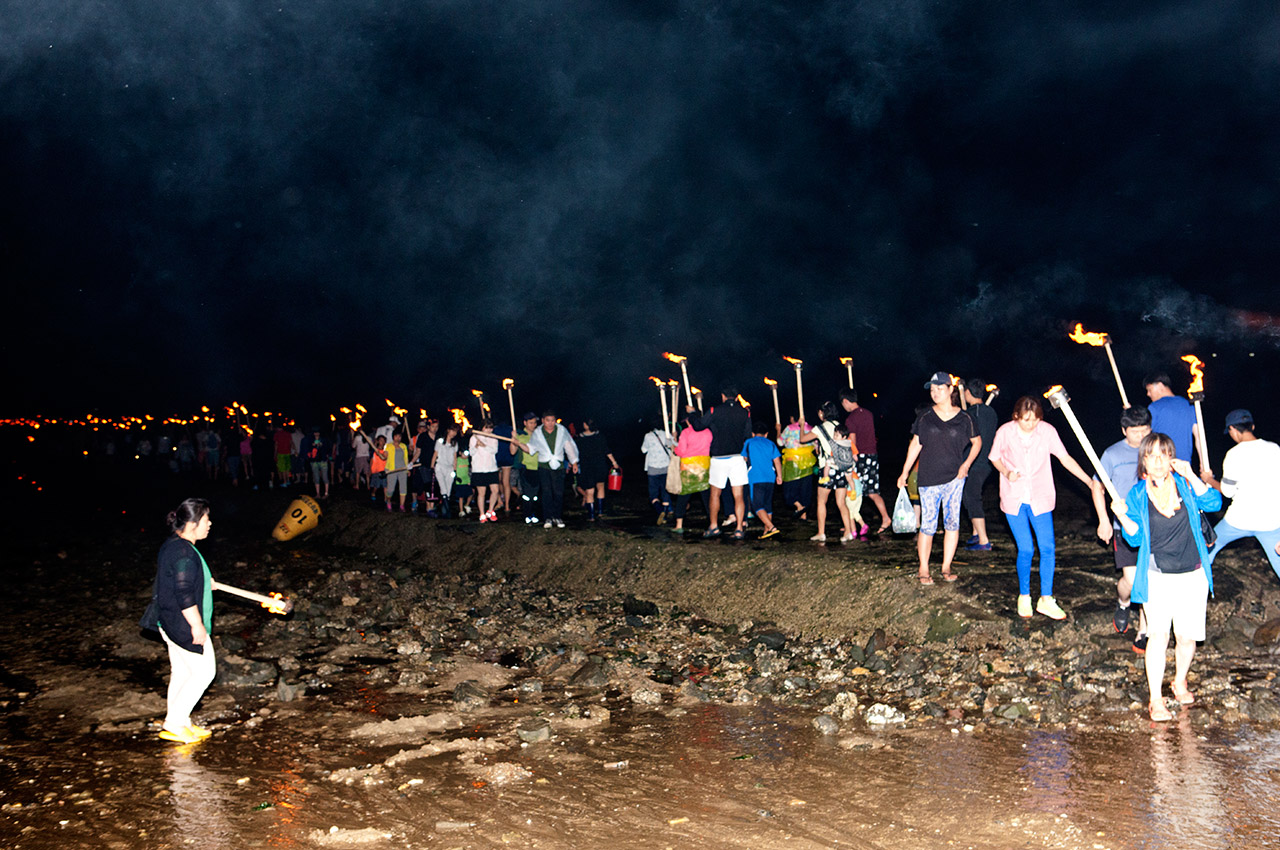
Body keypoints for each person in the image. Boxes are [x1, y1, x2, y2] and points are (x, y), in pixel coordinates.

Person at [1112, 433, 1222, 722]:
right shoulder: (1137, 494)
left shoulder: (1185, 484)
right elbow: (1134, 539)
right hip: (1157, 576)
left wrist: (1193, 475)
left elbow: (1213, 503)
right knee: (1158, 637)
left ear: (1172, 458)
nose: (1158, 462)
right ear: (1143, 461)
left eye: (1164, 455)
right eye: (1152, 456)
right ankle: (1156, 699)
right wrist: (1123, 517)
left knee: (1187, 639)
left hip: (1193, 574)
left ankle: (1180, 681)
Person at [988, 396, 1094, 619]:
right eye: (1026, 420)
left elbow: (1065, 458)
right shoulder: (1005, 432)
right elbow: (994, 457)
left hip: (1041, 497)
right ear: (1016, 416)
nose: (1031, 424)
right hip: (1014, 498)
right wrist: (1006, 472)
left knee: (1047, 548)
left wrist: (1089, 481)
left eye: (1035, 420)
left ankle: (1046, 599)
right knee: (1026, 548)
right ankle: (1024, 596)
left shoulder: (1047, 431)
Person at [142, 498, 218, 744]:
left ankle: (179, 722)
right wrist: (197, 626)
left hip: (168, 620)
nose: (210, 524)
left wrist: (205, 583)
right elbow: (184, 593)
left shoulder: (174, 545)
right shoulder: (184, 552)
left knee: (182, 672)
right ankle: (175, 723)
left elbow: (179, 578)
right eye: (206, 519)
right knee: (205, 672)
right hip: (182, 622)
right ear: (193, 524)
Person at [897, 372, 981, 585]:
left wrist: (966, 464)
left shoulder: (965, 418)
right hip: (929, 478)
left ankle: (946, 566)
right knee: (928, 524)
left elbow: (977, 442)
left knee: (952, 522)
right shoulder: (925, 417)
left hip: (955, 478)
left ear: (950, 389)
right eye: (932, 389)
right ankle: (923, 568)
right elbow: (916, 444)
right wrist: (905, 472)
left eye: (939, 388)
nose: (935, 393)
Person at [1091, 405, 1153, 650]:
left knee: (1148, 579)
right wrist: (1103, 520)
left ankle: (1144, 630)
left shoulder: (1155, 450)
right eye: (1135, 432)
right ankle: (1123, 603)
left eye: (1145, 430)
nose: (1141, 436)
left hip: (1154, 525)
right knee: (1131, 579)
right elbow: (1098, 487)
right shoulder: (1112, 454)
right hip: (1124, 526)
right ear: (1124, 430)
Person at [1201, 409, 1280, 582]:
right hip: (1271, 522)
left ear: (1232, 430)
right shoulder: (1275, 449)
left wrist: (1209, 480)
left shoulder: (1234, 454)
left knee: (1208, 546)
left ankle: (1197, 583)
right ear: (1252, 426)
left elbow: (1228, 492)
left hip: (1239, 520)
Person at [686, 388, 752, 539]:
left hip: (719, 457)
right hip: (737, 457)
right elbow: (747, 435)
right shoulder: (745, 412)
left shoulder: (714, 410)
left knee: (715, 494)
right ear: (736, 397)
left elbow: (699, 426)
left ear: (723, 396)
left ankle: (714, 526)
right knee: (739, 495)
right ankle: (739, 528)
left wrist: (693, 413)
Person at [801, 402, 857, 543]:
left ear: (822, 413)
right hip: (842, 470)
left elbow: (802, 439)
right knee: (841, 503)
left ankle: (821, 533)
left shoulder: (819, 428)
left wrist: (802, 425)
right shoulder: (839, 426)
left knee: (821, 501)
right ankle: (848, 532)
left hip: (827, 469)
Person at [840, 388, 892, 533]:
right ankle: (854, 521)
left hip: (861, 456)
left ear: (845, 401)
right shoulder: (868, 413)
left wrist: (850, 459)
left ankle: (852, 522)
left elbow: (853, 442)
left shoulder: (851, 419)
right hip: (873, 455)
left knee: (853, 490)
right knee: (870, 491)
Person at [1145, 373, 1210, 475]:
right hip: (1184, 468)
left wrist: (1134, 418)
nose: (1148, 394)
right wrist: (1203, 463)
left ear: (1160, 385)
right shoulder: (1188, 404)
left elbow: (1144, 435)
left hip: (1161, 467)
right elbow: (1199, 437)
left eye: (1149, 390)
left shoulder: (1154, 407)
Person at [960, 379, 997, 550]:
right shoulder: (991, 412)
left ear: (968, 392)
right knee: (972, 496)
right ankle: (975, 534)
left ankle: (983, 540)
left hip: (974, 462)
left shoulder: (970, 413)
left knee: (971, 497)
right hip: (988, 462)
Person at [528, 410, 579, 528]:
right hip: (543, 466)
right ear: (543, 421)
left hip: (559, 467)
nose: (550, 423)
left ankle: (557, 517)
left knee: (558, 492)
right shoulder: (538, 432)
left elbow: (569, 446)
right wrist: (518, 443)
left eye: (552, 421)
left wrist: (574, 462)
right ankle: (548, 518)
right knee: (546, 492)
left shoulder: (561, 430)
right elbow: (531, 448)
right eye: (547, 421)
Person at [670, 416, 712, 533]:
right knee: (706, 495)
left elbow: (682, 451)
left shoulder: (686, 432)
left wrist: (675, 449)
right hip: (704, 465)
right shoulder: (708, 431)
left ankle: (679, 525)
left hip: (689, 466)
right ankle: (712, 523)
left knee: (684, 495)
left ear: (688, 420)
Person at [744, 421, 783, 538]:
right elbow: (777, 460)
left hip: (756, 477)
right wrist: (779, 476)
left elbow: (744, 458)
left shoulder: (749, 442)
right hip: (770, 477)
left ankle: (771, 527)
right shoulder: (771, 444)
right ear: (766, 434)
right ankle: (767, 531)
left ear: (753, 434)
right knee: (767, 504)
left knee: (756, 505)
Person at [575, 420, 619, 521]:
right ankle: (600, 512)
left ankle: (591, 516)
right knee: (600, 487)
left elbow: (575, 452)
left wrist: (574, 463)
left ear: (585, 425)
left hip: (587, 467)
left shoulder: (579, 439)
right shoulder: (600, 436)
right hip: (600, 465)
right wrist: (614, 462)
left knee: (590, 491)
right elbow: (607, 450)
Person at [776, 416, 815, 518]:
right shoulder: (811, 428)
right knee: (805, 489)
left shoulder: (789, 428)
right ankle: (803, 514)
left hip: (792, 464)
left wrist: (778, 430)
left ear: (792, 418)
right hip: (807, 464)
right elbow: (816, 446)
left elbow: (780, 442)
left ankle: (800, 507)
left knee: (789, 490)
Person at [641, 420, 675, 525]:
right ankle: (664, 513)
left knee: (653, 495)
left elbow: (643, 449)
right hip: (665, 467)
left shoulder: (648, 436)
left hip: (653, 469)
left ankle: (660, 511)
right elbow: (675, 446)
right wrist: (673, 437)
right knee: (665, 492)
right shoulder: (666, 434)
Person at [470, 420, 501, 522]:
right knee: (481, 493)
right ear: (482, 428)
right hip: (479, 469)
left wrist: (484, 445)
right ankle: (482, 514)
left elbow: (494, 450)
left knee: (495, 490)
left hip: (492, 468)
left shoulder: (494, 438)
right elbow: (471, 453)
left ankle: (490, 510)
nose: (489, 430)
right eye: (486, 427)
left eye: (490, 428)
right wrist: (476, 446)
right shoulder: (474, 437)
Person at [514, 413, 542, 524]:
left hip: (539, 467)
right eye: (531, 422)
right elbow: (512, 451)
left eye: (535, 422)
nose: (533, 425)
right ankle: (527, 514)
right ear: (525, 423)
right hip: (526, 468)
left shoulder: (539, 435)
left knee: (537, 494)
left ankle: (536, 514)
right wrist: (514, 440)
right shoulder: (521, 436)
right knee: (527, 494)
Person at [430, 423, 461, 518]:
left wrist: (455, 470)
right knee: (443, 489)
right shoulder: (440, 441)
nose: (453, 433)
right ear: (448, 430)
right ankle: (448, 512)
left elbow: (455, 457)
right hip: (440, 467)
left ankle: (445, 512)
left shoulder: (454, 443)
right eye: (452, 431)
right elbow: (435, 454)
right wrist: (432, 466)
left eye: (455, 431)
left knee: (448, 490)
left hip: (449, 468)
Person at [303, 427, 330, 499]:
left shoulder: (324, 440)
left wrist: (321, 446)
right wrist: (313, 446)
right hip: (314, 461)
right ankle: (317, 493)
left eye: (317, 432)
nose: (316, 433)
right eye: (315, 432)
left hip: (323, 461)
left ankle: (326, 493)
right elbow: (308, 450)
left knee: (325, 477)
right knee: (316, 477)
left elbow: (327, 448)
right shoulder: (310, 440)